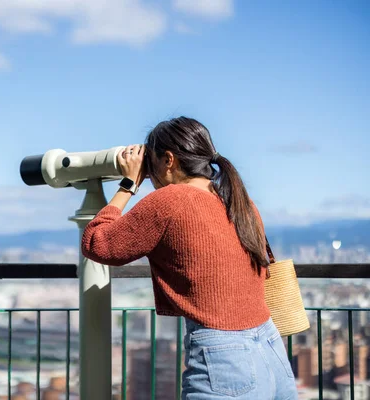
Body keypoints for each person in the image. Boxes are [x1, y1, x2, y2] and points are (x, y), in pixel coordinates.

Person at [81, 116, 298, 399]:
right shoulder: (237, 199)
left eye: (152, 163)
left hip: (224, 356)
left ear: (168, 160)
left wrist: (128, 184)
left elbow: (97, 243)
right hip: (271, 347)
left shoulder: (170, 201)